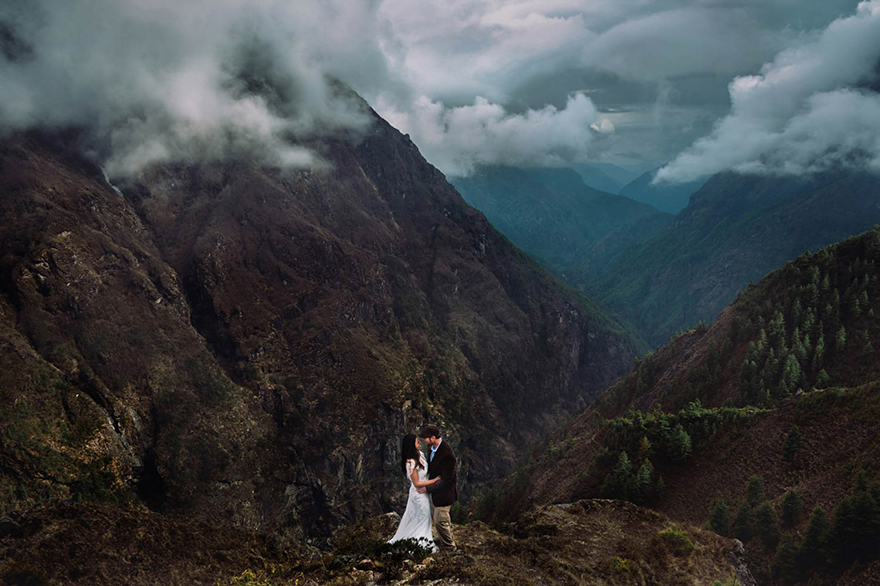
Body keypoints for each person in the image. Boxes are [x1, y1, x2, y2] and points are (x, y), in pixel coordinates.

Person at [388, 433, 440, 551]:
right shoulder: (410, 462)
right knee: (421, 516)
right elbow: (416, 483)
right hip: (418, 493)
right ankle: (418, 541)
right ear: (412, 445)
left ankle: (420, 538)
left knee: (424, 517)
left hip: (424, 491)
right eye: (417, 442)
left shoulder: (420, 455)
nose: (419, 443)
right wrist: (434, 481)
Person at [418, 424, 457, 550]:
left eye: (426, 438)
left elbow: (446, 480)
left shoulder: (447, 455)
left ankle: (450, 547)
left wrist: (428, 488)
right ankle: (443, 540)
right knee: (438, 520)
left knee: (441, 521)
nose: (424, 441)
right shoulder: (431, 448)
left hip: (445, 494)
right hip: (436, 492)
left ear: (433, 437)